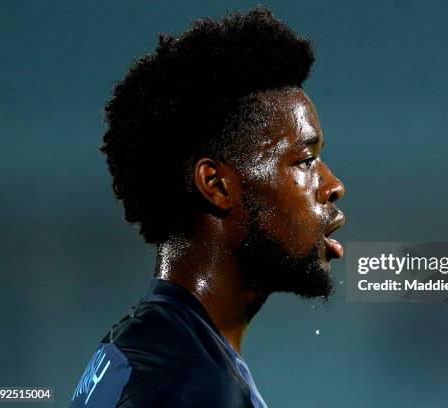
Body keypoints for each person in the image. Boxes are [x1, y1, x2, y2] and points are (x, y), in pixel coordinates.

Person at [70, 6, 345, 407]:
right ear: (216, 185)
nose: (333, 185)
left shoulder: (147, 349)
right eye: (304, 161)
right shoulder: (186, 384)